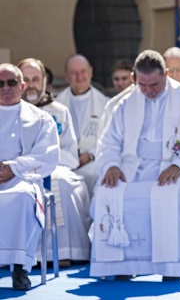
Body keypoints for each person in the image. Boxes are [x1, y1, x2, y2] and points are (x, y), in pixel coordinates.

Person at [89, 50, 180, 280]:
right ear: (135, 78)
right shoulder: (125, 103)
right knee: (109, 194)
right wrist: (112, 165)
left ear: (165, 74)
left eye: (153, 84)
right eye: (142, 85)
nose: (148, 91)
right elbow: (109, 141)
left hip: (174, 167)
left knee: (172, 196)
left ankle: (172, 268)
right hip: (131, 167)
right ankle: (122, 265)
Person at [18, 58, 91, 265]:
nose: (31, 84)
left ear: (44, 81)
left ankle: (66, 251)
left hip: (56, 167)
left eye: (35, 79)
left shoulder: (59, 111)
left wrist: (45, 162)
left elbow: (70, 152)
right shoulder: (8, 111)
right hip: (20, 170)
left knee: (64, 184)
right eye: (26, 79)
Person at [0, 63, 59, 291]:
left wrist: (13, 168)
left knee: (23, 197)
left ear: (22, 85)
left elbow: (47, 156)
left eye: (12, 82)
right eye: (0, 83)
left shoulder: (41, 119)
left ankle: (20, 267)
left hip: (22, 178)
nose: (6, 87)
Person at [55, 54, 109, 195]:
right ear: (66, 76)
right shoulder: (56, 105)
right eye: (73, 73)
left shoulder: (105, 104)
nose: (79, 77)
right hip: (64, 162)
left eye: (83, 71)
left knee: (94, 175)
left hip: (91, 161)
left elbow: (110, 139)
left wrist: (90, 155)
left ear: (90, 72)